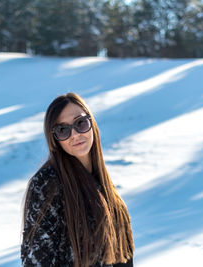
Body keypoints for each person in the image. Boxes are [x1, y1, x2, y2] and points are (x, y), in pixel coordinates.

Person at [21, 92, 134, 267]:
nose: (74, 134)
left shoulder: (103, 184)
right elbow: (36, 262)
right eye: (63, 130)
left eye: (80, 123)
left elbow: (121, 257)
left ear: (91, 123)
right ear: (55, 139)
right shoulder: (47, 183)